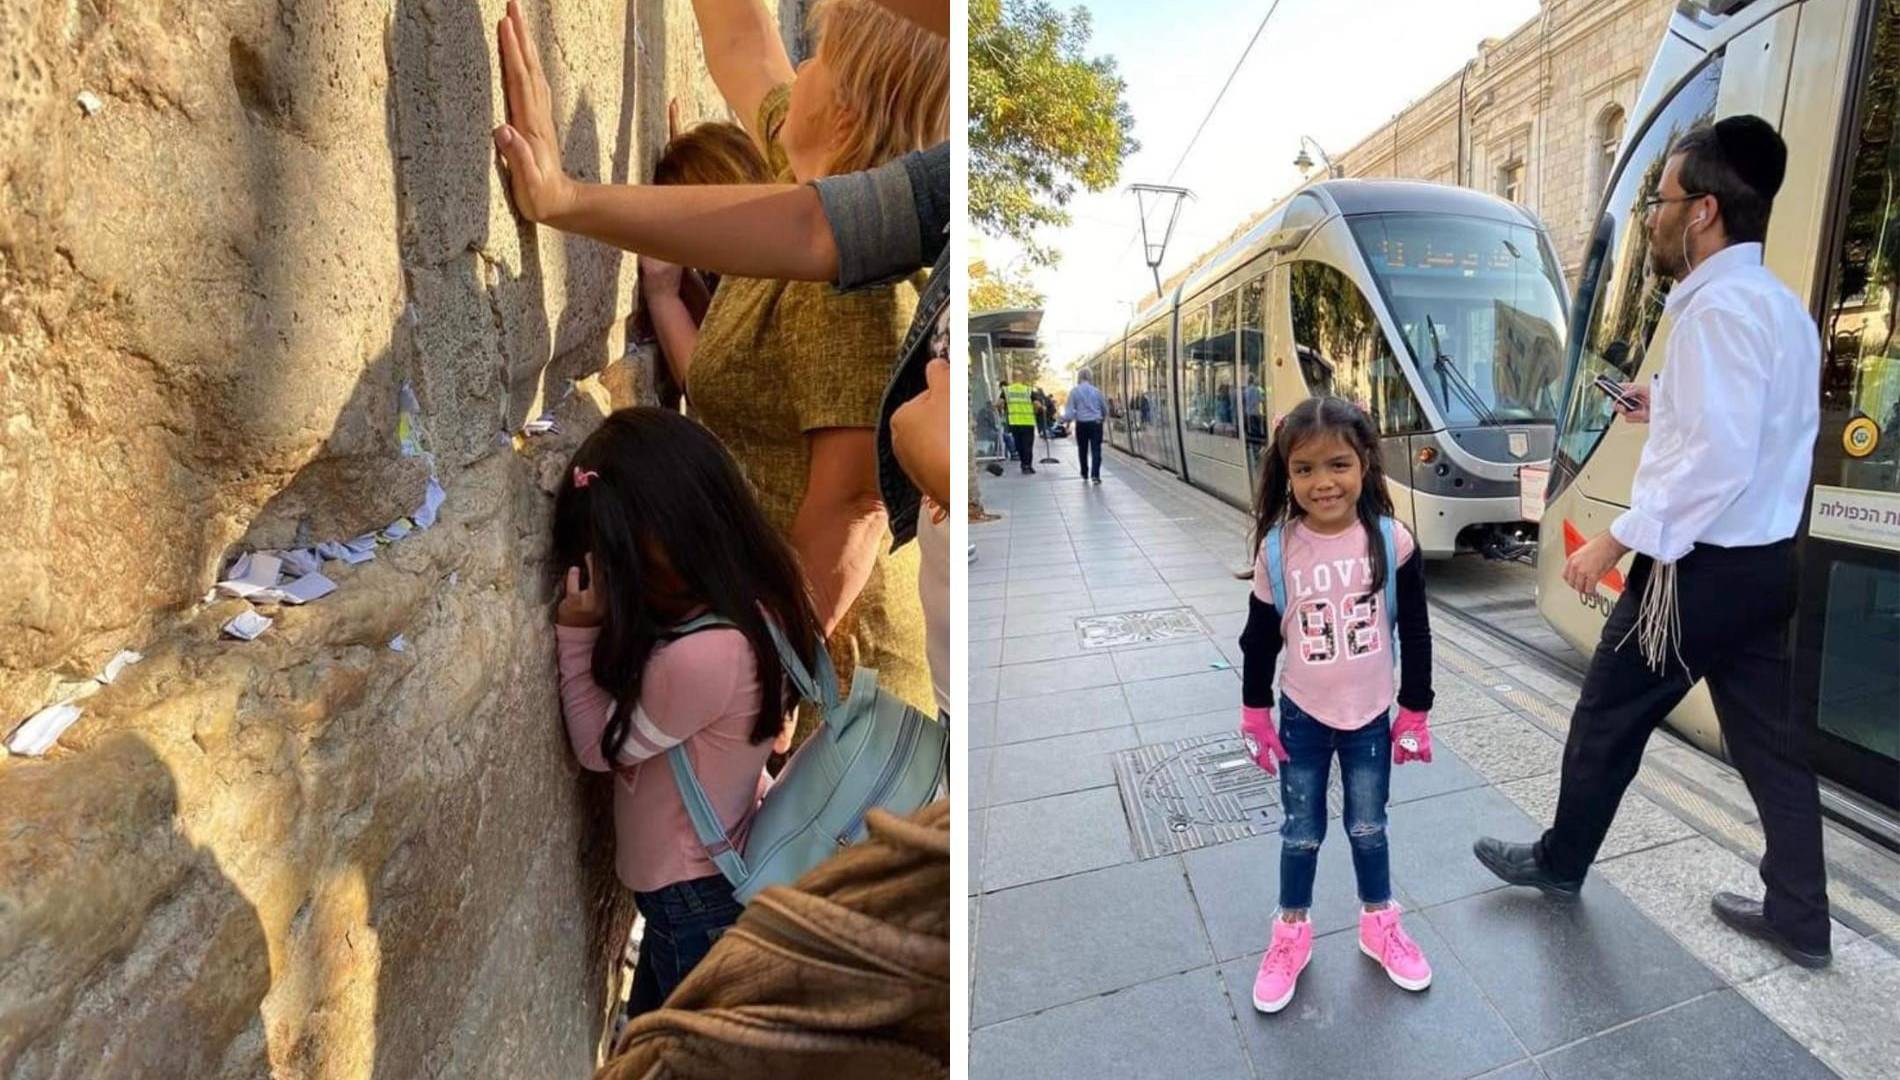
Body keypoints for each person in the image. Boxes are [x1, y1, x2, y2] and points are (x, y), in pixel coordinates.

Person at [493, 0, 951, 722]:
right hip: (764, 637)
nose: (796, 68)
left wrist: (762, 687)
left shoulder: (854, 294)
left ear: (845, 115)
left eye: (818, 57)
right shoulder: (808, 169)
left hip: (822, 686)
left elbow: (849, 514)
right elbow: (741, 39)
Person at [1472, 116, 1833, 968]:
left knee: (1606, 718)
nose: (1655, 217)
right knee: (1771, 747)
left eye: (1661, 200)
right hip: (1764, 567)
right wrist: (1660, 405)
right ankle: (1801, 916)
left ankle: (1561, 864)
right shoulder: (1779, 307)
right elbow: (1758, 431)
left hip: (1695, 575)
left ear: (1703, 210)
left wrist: (1613, 542)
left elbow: (1717, 462)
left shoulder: (1716, 313)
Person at [551, 408, 826, 1020]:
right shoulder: (763, 598)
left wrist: (575, 633)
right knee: (661, 1029)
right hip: (714, 867)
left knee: (684, 1045)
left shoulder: (702, 655)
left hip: (690, 891)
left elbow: (598, 747)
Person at [1236, 396, 1437, 1015]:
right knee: (1300, 831)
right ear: (1286, 475)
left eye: (1338, 465)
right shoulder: (1278, 550)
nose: (1323, 482)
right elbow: (1260, 637)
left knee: (1369, 824)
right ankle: (1290, 934)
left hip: (1371, 716)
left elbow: (1420, 631)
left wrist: (1414, 708)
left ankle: (1379, 923)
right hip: (1301, 715)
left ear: (1365, 464)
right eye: (1304, 470)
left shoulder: (1391, 541)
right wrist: (1254, 711)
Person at [639, 119, 774, 407]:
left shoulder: (766, 280)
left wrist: (663, 296)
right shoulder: (775, 248)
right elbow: (722, 333)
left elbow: (719, 395)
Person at [1063, 368, 1107, 483]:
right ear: (1090, 377)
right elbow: (1104, 408)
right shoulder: (1097, 391)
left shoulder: (1074, 391)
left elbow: (1069, 412)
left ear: (1079, 377)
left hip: (1081, 424)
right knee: (1096, 449)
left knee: (1082, 449)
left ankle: (1084, 473)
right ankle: (1095, 476)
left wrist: (1065, 421)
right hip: (1096, 423)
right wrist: (1102, 418)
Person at [1001, 377, 1036, 474]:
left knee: (1019, 444)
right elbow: (1037, 404)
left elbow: (1000, 403)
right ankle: (1027, 465)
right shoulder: (1028, 390)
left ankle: (1023, 463)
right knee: (1028, 445)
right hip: (1028, 422)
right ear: (1022, 379)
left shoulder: (1007, 390)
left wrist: (999, 409)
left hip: (1014, 422)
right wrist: (1040, 409)